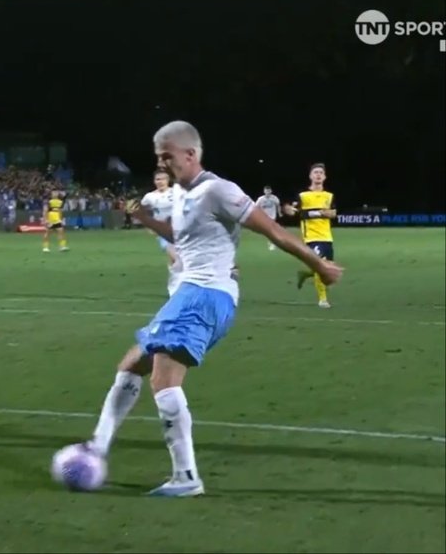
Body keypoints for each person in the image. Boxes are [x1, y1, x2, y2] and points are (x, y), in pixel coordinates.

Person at [76, 121, 342, 497]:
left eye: (167, 157)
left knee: (163, 382)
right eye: (158, 159)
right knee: (132, 364)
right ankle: (98, 447)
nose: (163, 165)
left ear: (191, 154)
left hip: (205, 295)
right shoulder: (183, 195)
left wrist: (319, 265)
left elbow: (273, 231)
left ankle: (186, 477)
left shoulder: (218, 190)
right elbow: (181, 238)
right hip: (191, 293)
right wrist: (144, 218)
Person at [282, 164, 336, 308]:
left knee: (326, 268)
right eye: (315, 172)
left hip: (327, 237)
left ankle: (305, 274)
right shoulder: (303, 196)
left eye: (321, 173)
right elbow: (292, 210)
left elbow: (334, 213)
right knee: (321, 264)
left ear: (324, 177)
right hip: (311, 237)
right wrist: (288, 210)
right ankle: (323, 299)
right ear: (310, 176)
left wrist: (327, 213)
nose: (318, 175)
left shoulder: (329, 196)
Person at [141, 169, 181, 294]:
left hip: (181, 230)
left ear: (168, 180)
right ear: (154, 181)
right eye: (158, 179)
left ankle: (177, 287)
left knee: (177, 260)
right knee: (176, 258)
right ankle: (175, 290)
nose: (160, 182)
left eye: (163, 179)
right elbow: (142, 211)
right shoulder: (149, 197)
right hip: (163, 232)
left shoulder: (177, 192)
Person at [255, 186, 282, 251]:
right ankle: (271, 241)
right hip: (264, 217)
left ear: (271, 191)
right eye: (266, 191)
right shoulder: (260, 199)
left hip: (272, 217)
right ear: (264, 191)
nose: (267, 192)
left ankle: (272, 243)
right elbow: (255, 207)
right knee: (267, 231)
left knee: (271, 231)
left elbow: (278, 205)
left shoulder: (274, 198)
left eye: (268, 191)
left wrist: (279, 213)